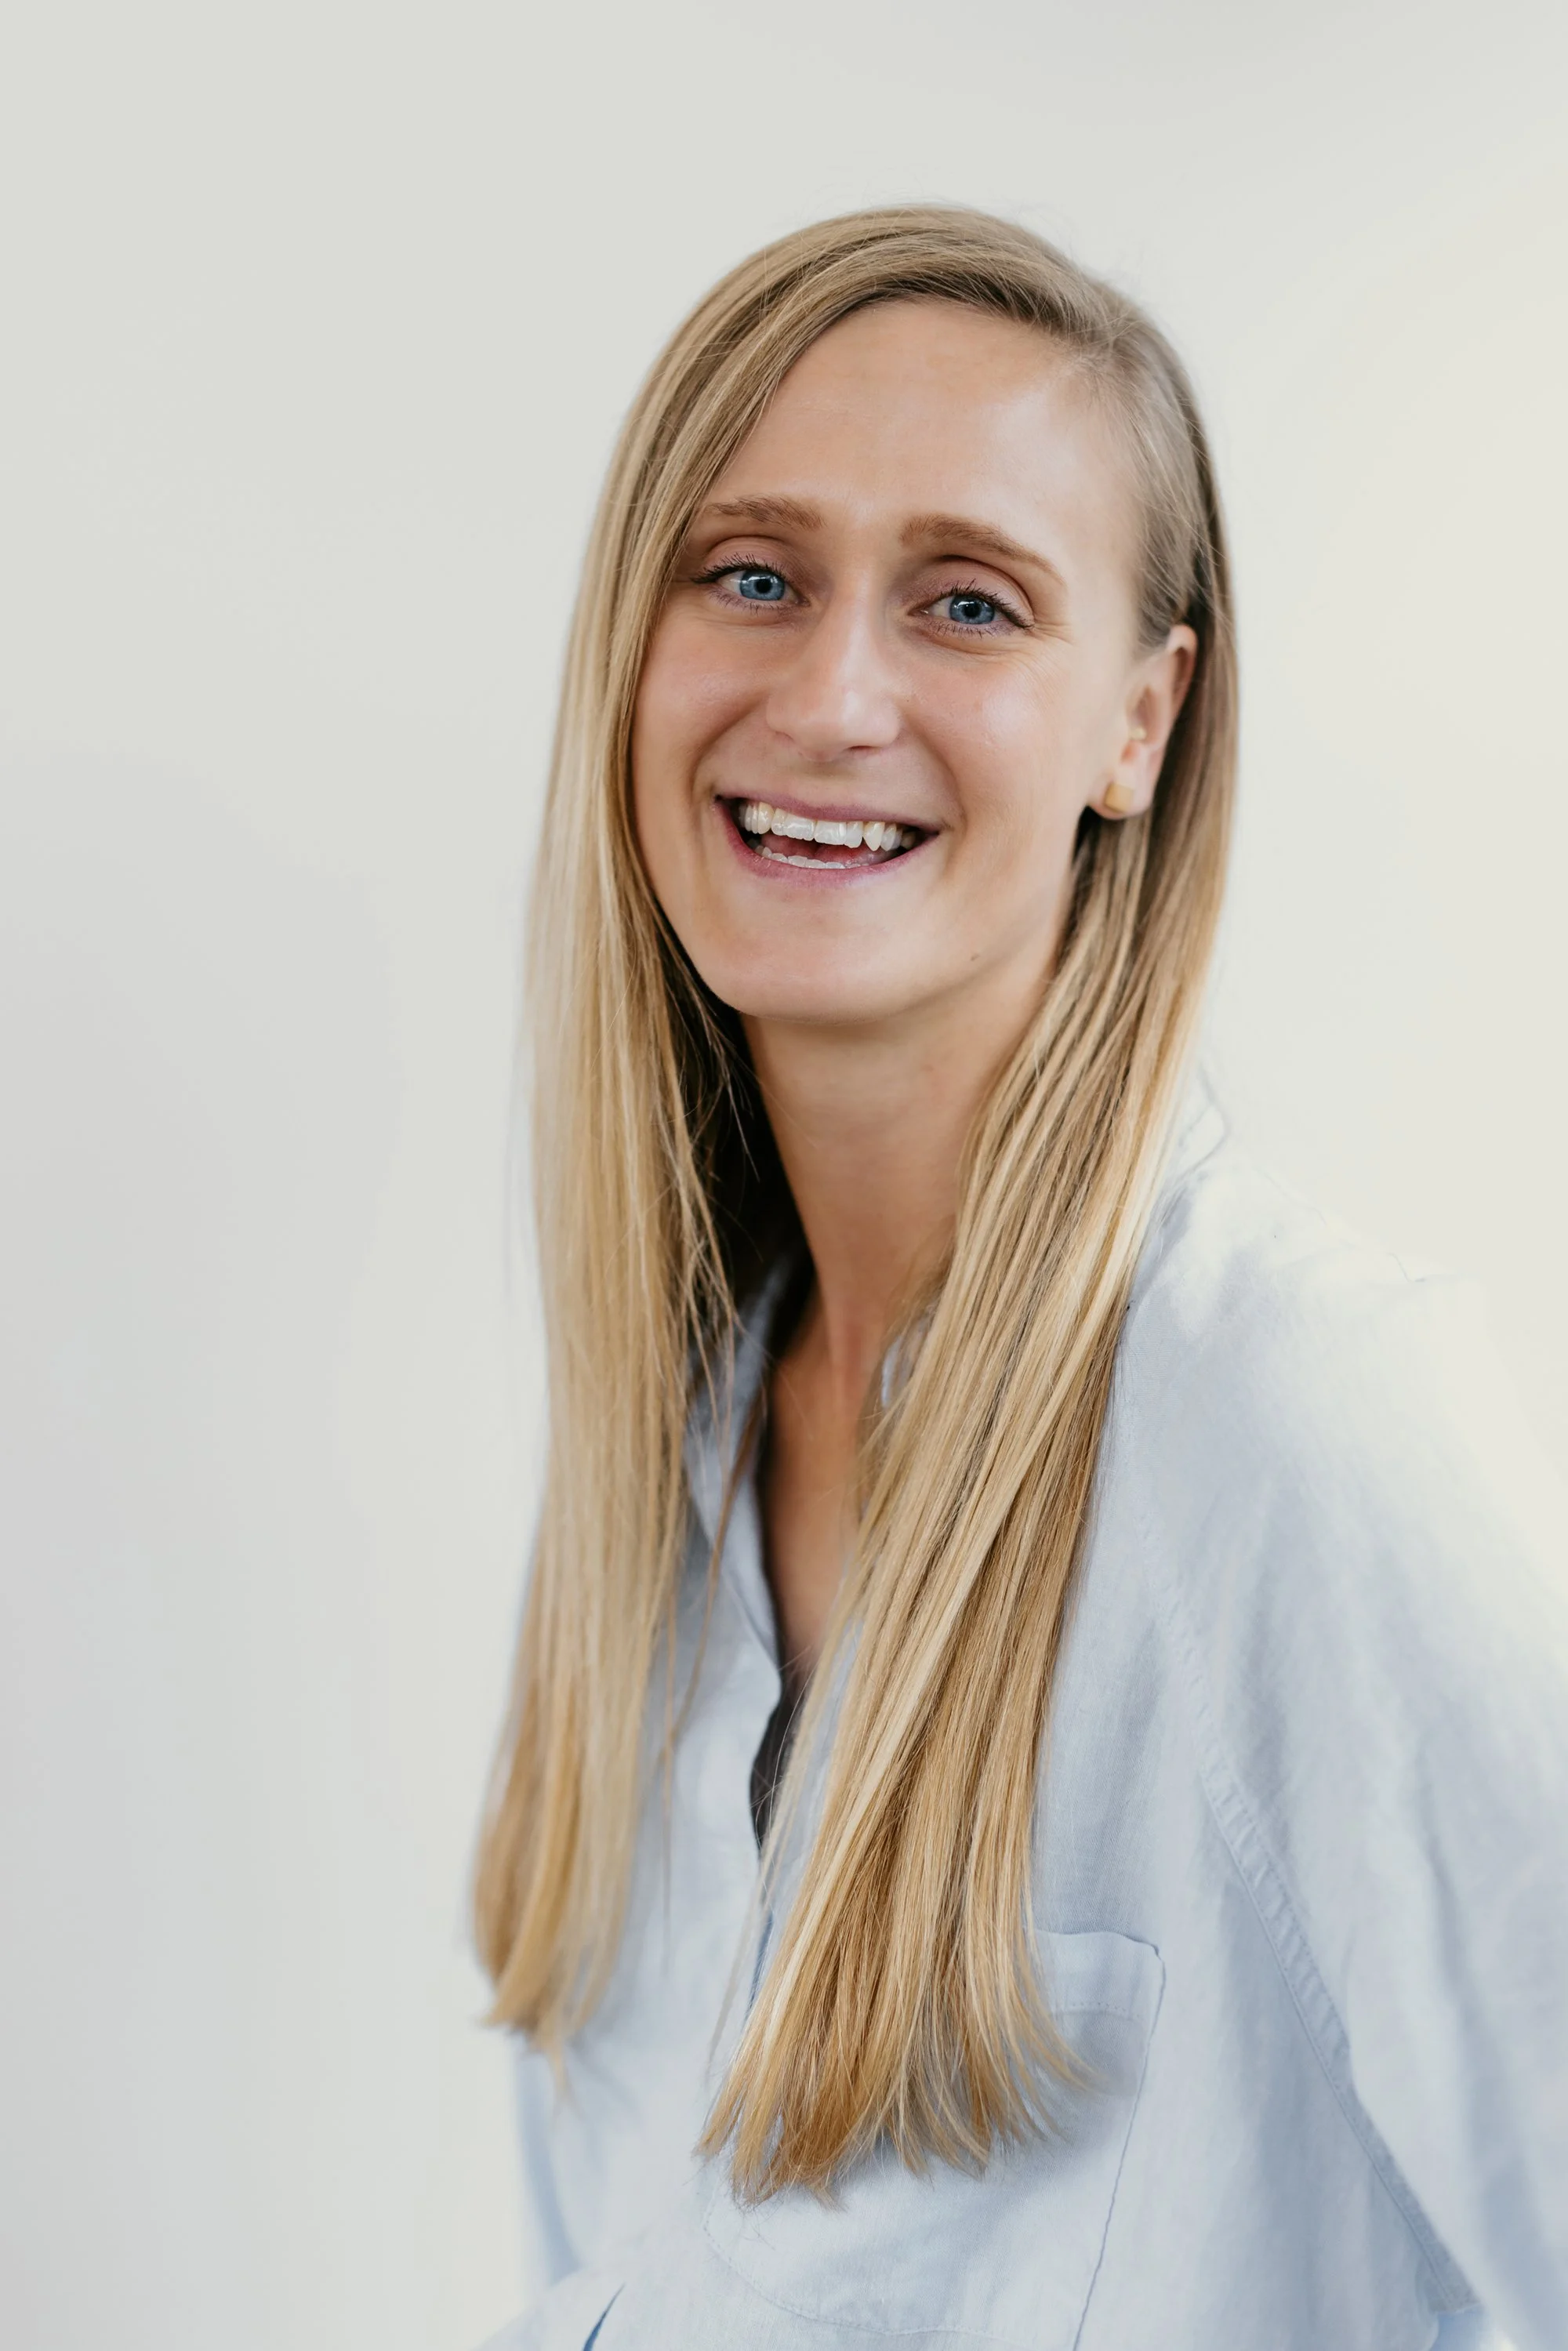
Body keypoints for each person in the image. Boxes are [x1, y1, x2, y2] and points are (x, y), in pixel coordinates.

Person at [470, 208, 1568, 2351]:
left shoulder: (1292, 1426)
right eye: (751, 574)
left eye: (966, 600)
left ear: (1137, 724)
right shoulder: (658, 1471)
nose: (829, 696)